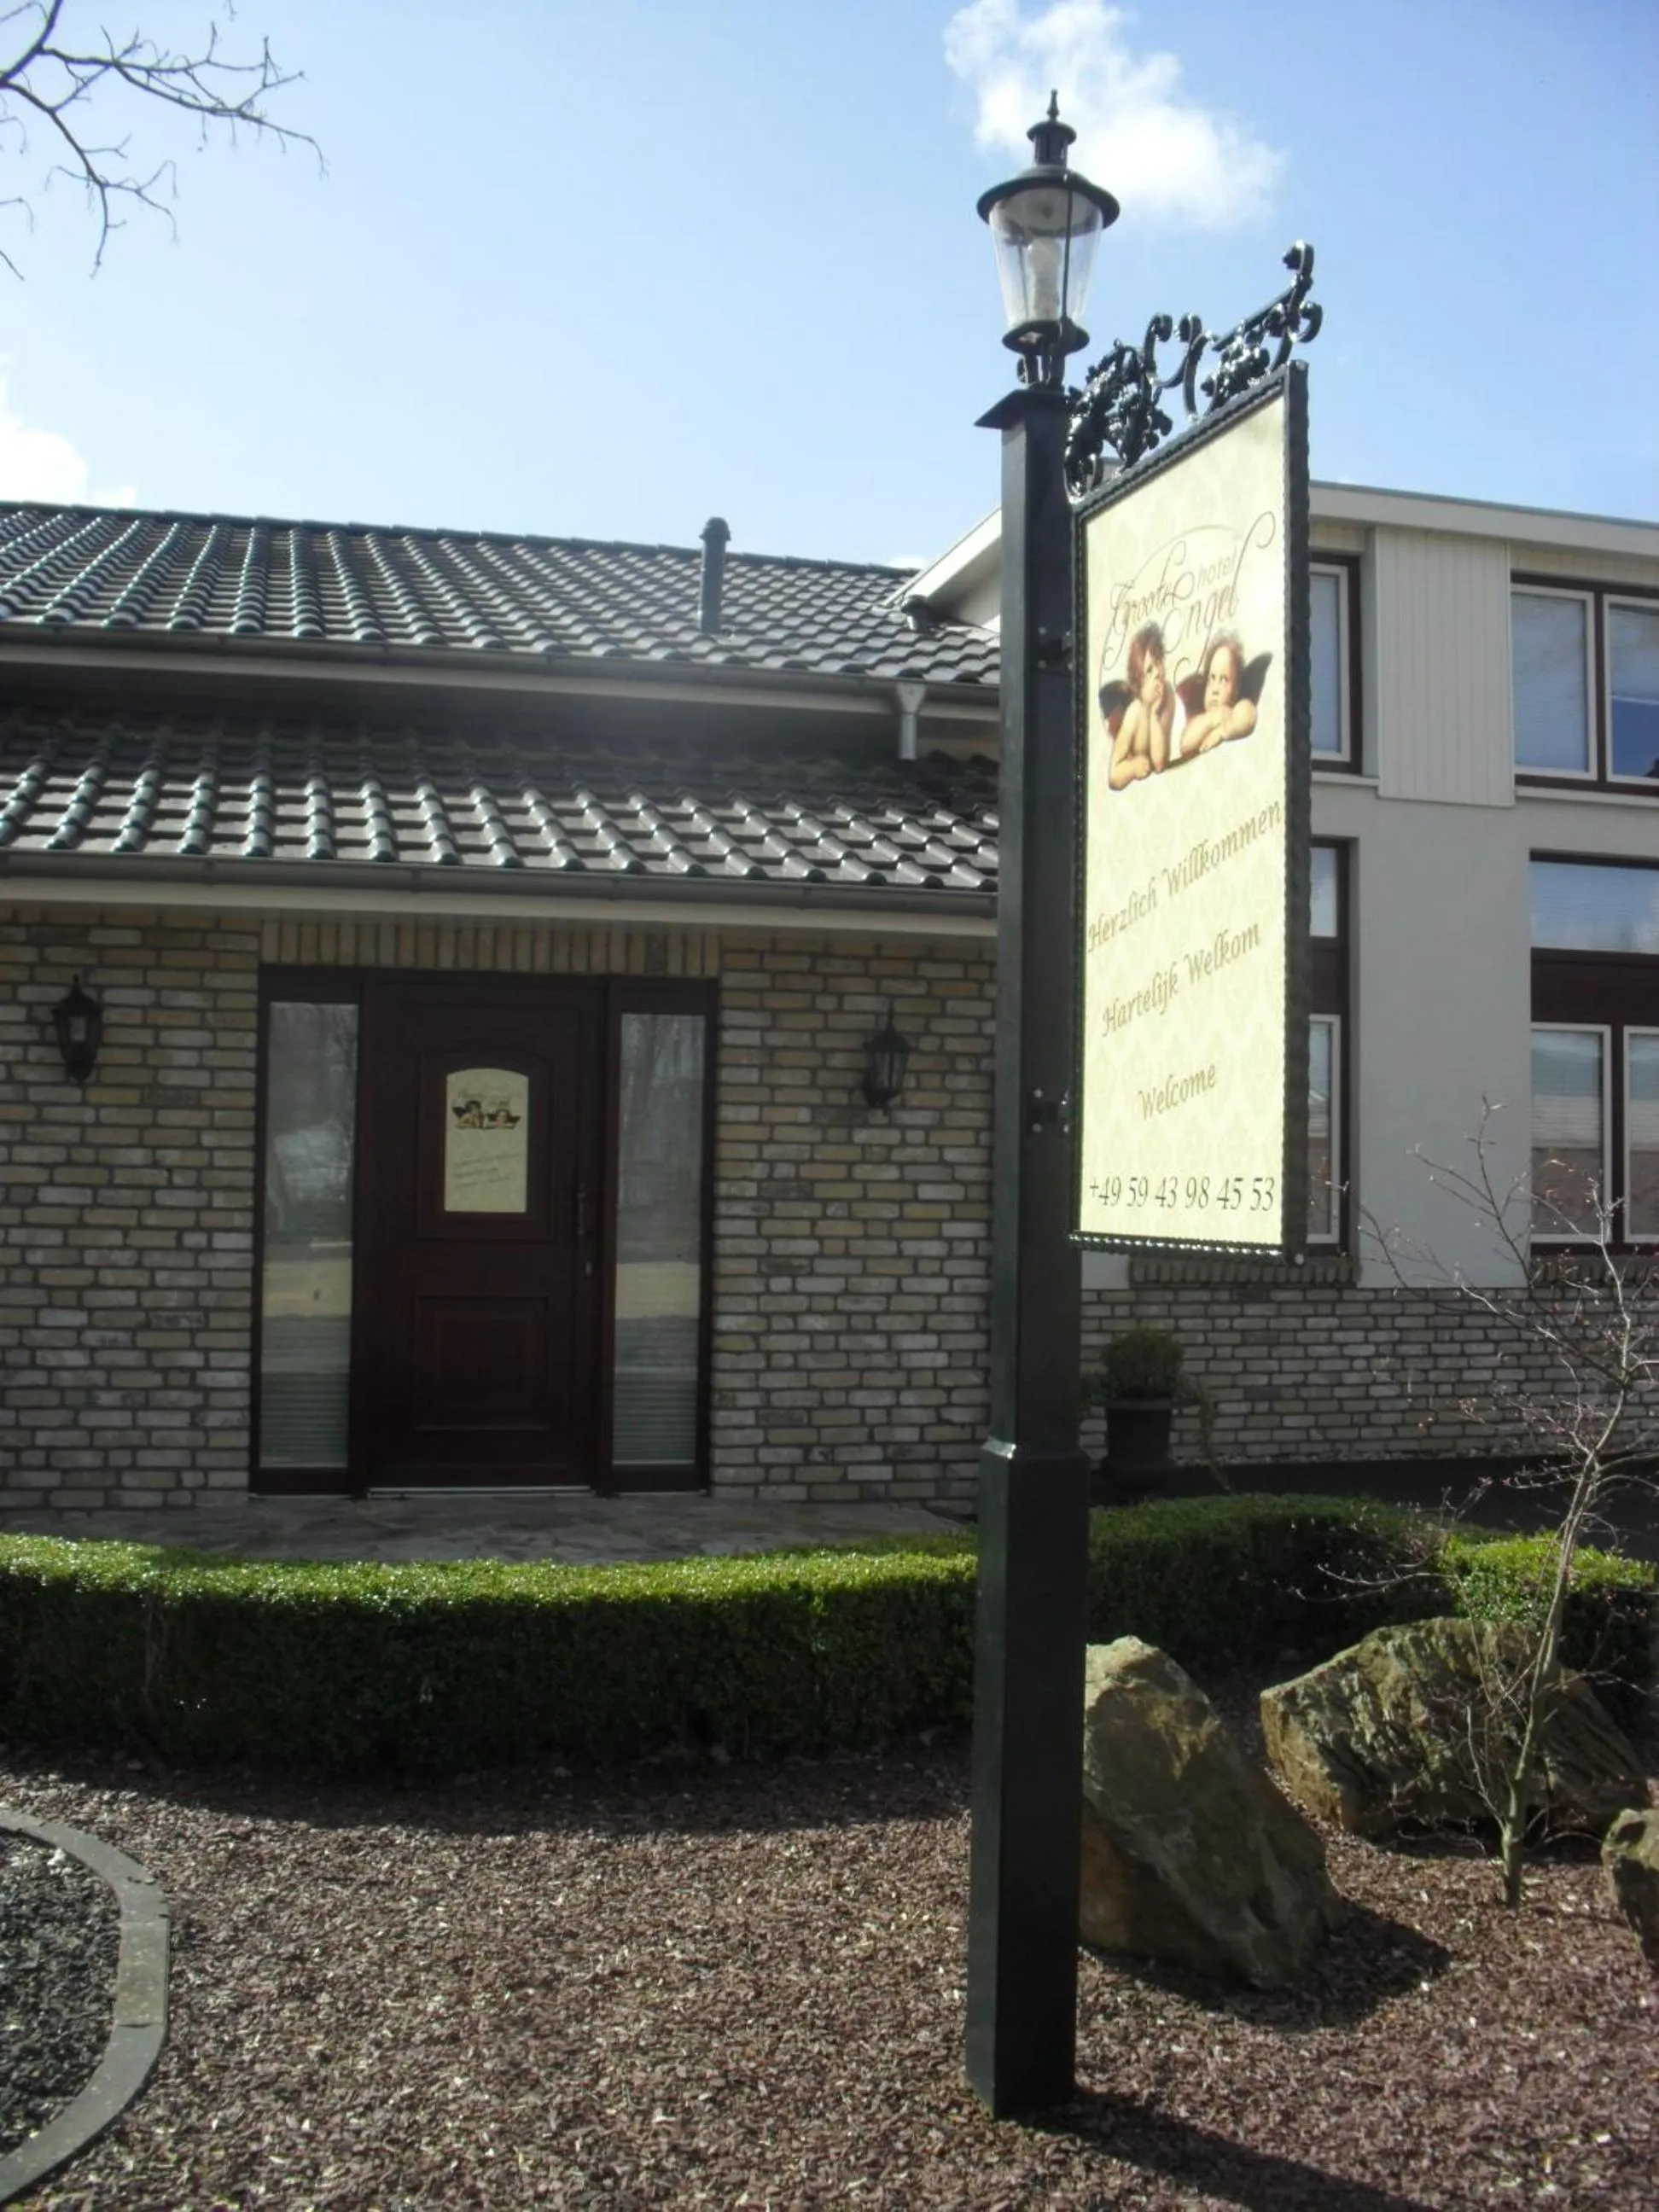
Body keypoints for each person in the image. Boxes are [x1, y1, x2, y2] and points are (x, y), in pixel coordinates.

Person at [1107, 623, 1175, 789]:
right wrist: (1131, 768)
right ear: (1138, 681)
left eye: (1158, 662)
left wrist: (1154, 715)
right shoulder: (1135, 712)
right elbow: (1113, 776)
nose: (1157, 672)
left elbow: (1159, 763)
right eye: (1149, 670)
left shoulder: (1167, 693)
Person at [1179, 632, 1259, 756]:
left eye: (1224, 680)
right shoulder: (1201, 719)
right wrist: (1212, 719)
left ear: (1236, 689)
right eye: (1212, 678)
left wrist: (1222, 732)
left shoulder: (1233, 712)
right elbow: (1185, 744)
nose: (1215, 690)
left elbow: (1249, 714)